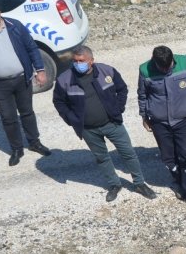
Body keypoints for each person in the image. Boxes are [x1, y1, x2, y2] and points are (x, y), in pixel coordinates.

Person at [52, 45, 156, 202]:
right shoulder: (64, 80)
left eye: (81, 61)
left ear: (91, 61)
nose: (77, 64)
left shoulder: (106, 71)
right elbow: (59, 102)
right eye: (75, 61)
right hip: (88, 129)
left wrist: (118, 108)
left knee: (128, 153)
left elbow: (122, 89)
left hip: (112, 123)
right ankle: (114, 184)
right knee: (101, 157)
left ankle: (139, 183)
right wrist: (71, 119)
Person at [0, 0, 52, 167]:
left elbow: (31, 48)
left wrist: (40, 70)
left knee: (27, 112)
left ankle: (34, 142)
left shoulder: (15, 26)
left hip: (22, 78)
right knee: (8, 118)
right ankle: (16, 149)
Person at [137, 45, 186, 210]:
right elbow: (142, 95)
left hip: (182, 121)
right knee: (168, 158)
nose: (166, 70)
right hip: (159, 123)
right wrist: (144, 116)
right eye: (162, 68)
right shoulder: (145, 70)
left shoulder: (184, 63)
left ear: (172, 59)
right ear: (154, 62)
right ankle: (179, 182)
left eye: (169, 66)